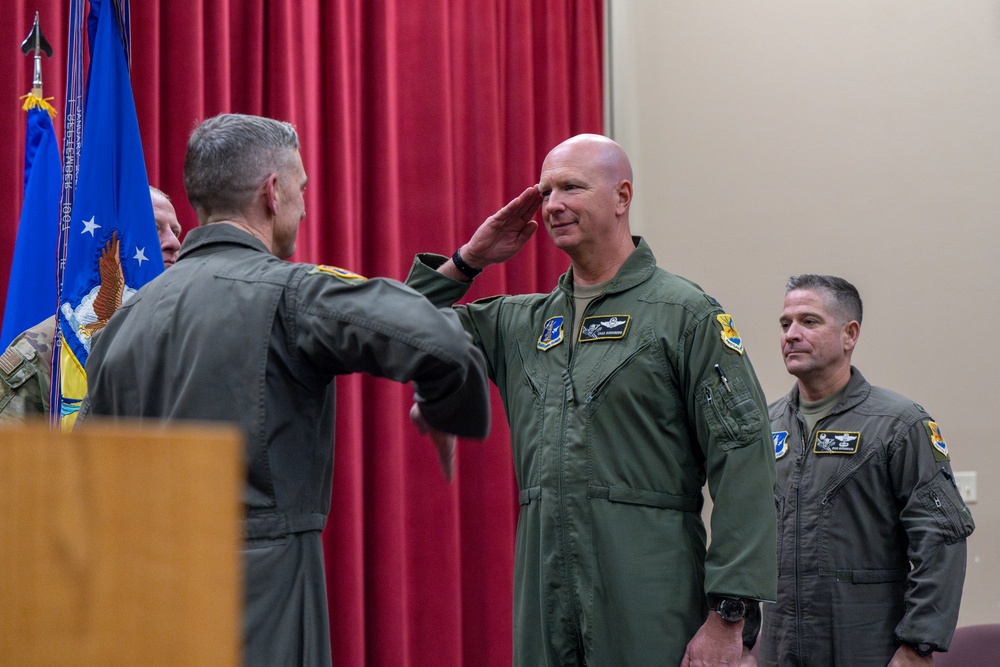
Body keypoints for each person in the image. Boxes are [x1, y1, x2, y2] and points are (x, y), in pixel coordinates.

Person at [76, 113, 496, 667]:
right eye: (300, 189)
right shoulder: (293, 293)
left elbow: (83, 477)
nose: (304, 206)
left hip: (141, 595)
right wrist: (446, 407)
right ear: (273, 193)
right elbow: (443, 344)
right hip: (262, 590)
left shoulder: (122, 323)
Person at [405, 134, 777, 666]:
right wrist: (468, 260)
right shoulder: (520, 323)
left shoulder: (683, 313)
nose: (553, 204)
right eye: (546, 190)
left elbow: (744, 460)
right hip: (546, 585)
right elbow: (391, 329)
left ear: (622, 197)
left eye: (572, 187)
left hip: (650, 583)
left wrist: (728, 617)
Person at [760, 274, 974, 666]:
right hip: (780, 647)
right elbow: (744, 541)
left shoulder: (898, 424)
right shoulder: (766, 427)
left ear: (849, 334)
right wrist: (739, 638)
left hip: (868, 648)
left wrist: (918, 645)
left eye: (809, 321)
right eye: (784, 323)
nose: (790, 334)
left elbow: (941, 539)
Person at [0, 185, 181, 425]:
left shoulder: (186, 337)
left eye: (176, 231)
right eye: (154, 228)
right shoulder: (44, 350)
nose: (174, 243)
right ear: (114, 240)